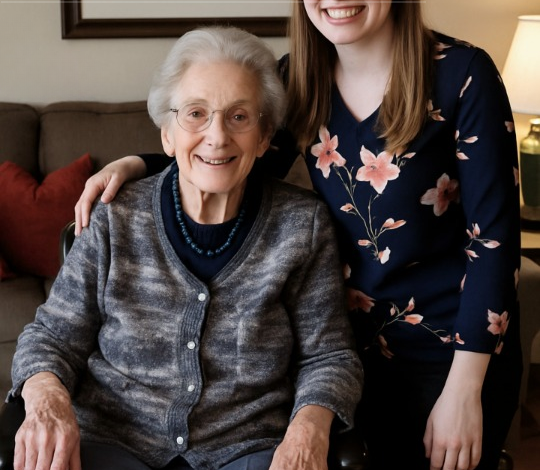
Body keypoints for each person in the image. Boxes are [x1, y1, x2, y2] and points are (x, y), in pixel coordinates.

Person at [74, 2, 523, 470]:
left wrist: (464, 389)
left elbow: (494, 241)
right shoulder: (299, 79)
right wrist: (139, 165)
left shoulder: (461, 74)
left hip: (450, 357)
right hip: (350, 357)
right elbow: (235, 158)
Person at [8, 26, 363, 470]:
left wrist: (307, 431)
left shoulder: (301, 226)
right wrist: (47, 400)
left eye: (239, 116)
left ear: (264, 136)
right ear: (167, 135)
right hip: (112, 442)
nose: (217, 136)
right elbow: (52, 336)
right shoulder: (117, 216)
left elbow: (329, 356)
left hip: (246, 450)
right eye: (196, 113)